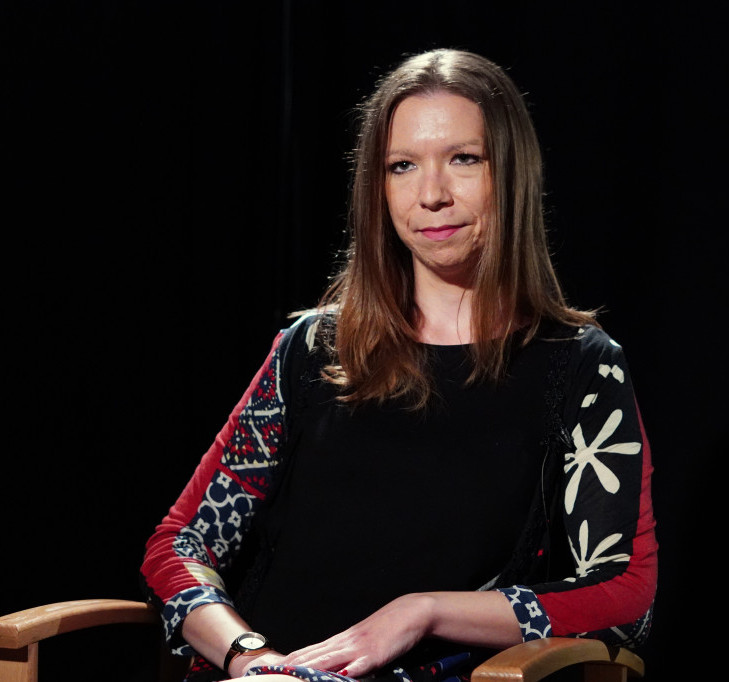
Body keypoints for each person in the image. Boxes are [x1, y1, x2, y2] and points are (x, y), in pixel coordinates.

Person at [141, 48, 657, 682]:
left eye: (464, 159)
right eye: (402, 166)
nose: (431, 194)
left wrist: (424, 612)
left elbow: (623, 595)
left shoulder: (579, 367)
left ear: (512, 173)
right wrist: (250, 657)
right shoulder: (313, 349)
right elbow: (179, 547)